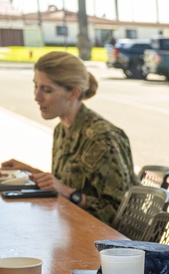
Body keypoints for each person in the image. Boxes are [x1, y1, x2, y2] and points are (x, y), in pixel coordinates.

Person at [3, 52, 136, 224]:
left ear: (74, 93)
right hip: (71, 228)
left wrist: (68, 192)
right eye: (36, 86)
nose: (37, 97)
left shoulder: (101, 137)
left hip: (104, 242)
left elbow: (123, 212)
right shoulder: (62, 129)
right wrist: (31, 172)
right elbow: (63, 182)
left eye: (47, 90)